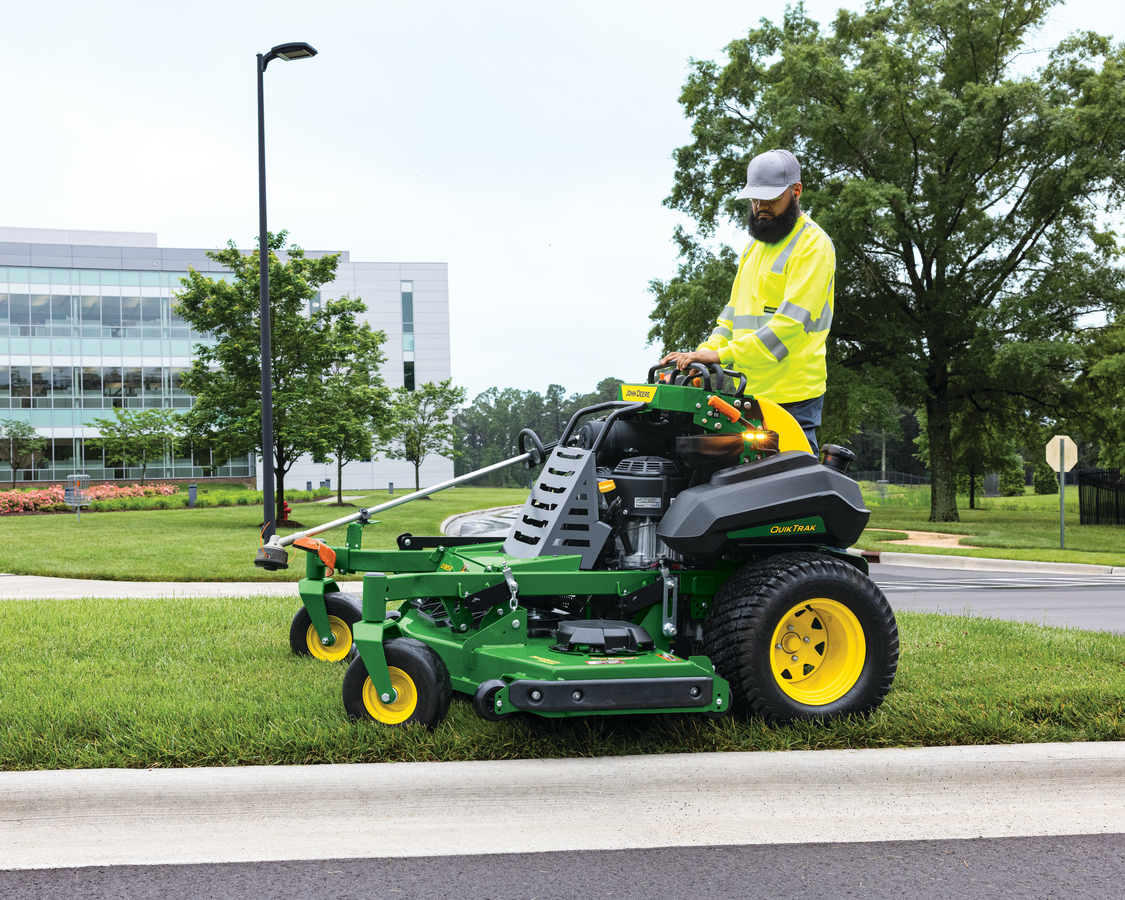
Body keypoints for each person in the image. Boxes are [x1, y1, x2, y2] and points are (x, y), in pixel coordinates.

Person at [661, 149, 835, 454]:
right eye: (755, 199)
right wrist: (701, 354)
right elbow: (730, 318)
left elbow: (788, 329)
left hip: (792, 398)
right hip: (748, 394)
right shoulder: (753, 249)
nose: (760, 207)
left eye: (770, 199)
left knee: (791, 489)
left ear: (796, 191)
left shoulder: (813, 246)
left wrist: (720, 357)